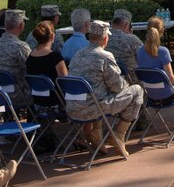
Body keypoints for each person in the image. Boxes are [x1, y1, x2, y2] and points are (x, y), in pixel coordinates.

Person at [67, 20, 143, 158]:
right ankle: (119, 135)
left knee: (99, 91)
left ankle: (96, 131)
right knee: (137, 90)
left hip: (73, 108)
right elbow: (117, 86)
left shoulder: (77, 55)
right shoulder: (105, 56)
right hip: (94, 108)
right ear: (105, 38)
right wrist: (126, 86)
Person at [25, 20, 69, 153]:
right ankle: (82, 138)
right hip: (55, 105)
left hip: (36, 104)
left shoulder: (30, 57)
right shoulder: (55, 57)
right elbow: (65, 81)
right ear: (52, 36)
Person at [0, 8, 31, 107]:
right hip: (18, 95)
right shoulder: (20, 47)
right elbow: (31, 69)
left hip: (1, 94)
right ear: (21, 25)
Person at [106, 9, 143, 76]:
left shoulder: (104, 39)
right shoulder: (132, 39)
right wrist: (131, 36)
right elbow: (144, 57)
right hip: (132, 81)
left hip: (110, 79)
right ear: (126, 25)